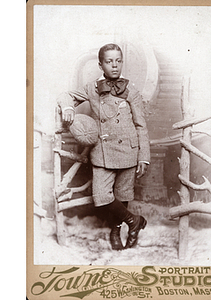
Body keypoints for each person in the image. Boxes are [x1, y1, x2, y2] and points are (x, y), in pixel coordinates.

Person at [57, 43, 150, 250]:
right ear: (101, 65)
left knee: (123, 195)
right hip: (102, 152)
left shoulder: (131, 91)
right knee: (101, 196)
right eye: (109, 61)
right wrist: (68, 107)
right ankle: (134, 221)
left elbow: (141, 125)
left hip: (129, 150)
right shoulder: (92, 88)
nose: (114, 66)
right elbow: (66, 95)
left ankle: (117, 231)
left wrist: (144, 156)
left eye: (118, 61)